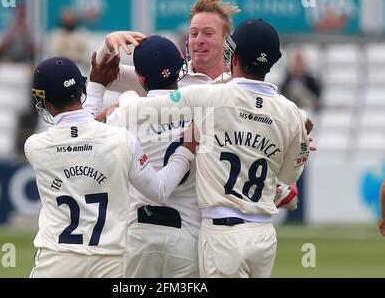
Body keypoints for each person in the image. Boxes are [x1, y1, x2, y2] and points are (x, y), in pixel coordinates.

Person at [118, 19, 311, 278]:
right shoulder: (291, 113)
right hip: (264, 235)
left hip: (223, 231)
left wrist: (125, 97)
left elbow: (135, 112)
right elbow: (288, 177)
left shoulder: (210, 97)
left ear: (233, 53)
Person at [25, 56, 196, 278]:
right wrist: (185, 151)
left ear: (45, 102)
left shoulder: (35, 147)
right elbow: (159, 191)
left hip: (56, 260)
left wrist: (97, 88)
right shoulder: (121, 139)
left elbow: (79, 133)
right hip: (109, 263)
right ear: (81, 90)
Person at [95, 35, 200, 278]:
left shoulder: (124, 115)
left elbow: (87, 129)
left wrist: (108, 43)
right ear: (182, 62)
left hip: (139, 232)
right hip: (187, 233)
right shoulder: (203, 108)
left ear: (140, 78)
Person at [94, 0, 240, 97]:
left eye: (208, 33)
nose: (199, 40)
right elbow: (102, 74)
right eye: (194, 34)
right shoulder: (166, 75)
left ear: (226, 40)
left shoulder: (240, 81)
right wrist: (108, 44)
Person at [280, 49, 323, 118]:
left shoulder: (310, 78)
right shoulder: (288, 77)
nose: (298, 63)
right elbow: (283, 92)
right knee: (294, 87)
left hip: (308, 107)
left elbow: (316, 95)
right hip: (293, 106)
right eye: (296, 61)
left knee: (296, 88)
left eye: (299, 61)